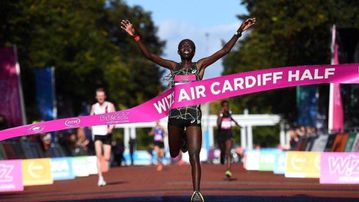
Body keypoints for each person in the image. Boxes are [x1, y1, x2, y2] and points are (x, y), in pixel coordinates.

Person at [121, 17, 256, 202]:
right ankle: (181, 141)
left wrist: (239, 31)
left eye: (190, 45)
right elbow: (150, 56)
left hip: (193, 117)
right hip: (175, 117)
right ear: (178, 51)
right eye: (183, 45)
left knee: (194, 155)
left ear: (194, 51)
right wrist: (136, 36)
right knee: (174, 153)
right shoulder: (173, 67)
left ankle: (197, 192)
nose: (186, 47)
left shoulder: (199, 66)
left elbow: (224, 51)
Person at [90, 88, 115, 187]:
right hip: (97, 133)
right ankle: (100, 178)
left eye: (102, 96)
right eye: (98, 96)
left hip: (107, 134)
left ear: (105, 96)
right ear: (96, 97)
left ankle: (103, 169)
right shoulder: (94, 107)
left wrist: (111, 128)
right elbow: (90, 118)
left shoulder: (110, 105)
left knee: (107, 157)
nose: (100, 97)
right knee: (98, 155)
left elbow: (115, 118)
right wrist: (89, 124)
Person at [217, 100, 240, 179]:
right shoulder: (220, 113)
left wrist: (237, 124)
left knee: (228, 152)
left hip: (228, 134)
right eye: (225, 106)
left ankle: (228, 170)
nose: (226, 107)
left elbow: (232, 119)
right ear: (222, 106)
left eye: (227, 105)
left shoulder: (229, 113)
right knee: (223, 150)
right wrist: (221, 115)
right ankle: (222, 154)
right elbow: (218, 124)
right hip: (221, 134)